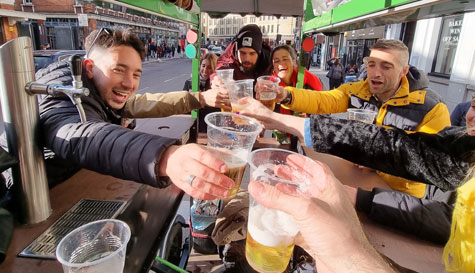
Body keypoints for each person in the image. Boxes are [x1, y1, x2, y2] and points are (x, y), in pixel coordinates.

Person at [241, 96, 475, 271]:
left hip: (402, 203)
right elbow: (396, 147)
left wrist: (348, 256)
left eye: (385, 65)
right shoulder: (468, 151)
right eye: (474, 103)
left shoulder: (428, 105)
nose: (472, 117)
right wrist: (283, 117)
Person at [38, 28, 233, 201]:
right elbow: (81, 136)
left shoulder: (99, 91)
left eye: (136, 74)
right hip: (43, 203)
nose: (129, 84)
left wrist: (199, 98)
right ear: (90, 67)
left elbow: (145, 103)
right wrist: (166, 158)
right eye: (118, 70)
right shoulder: (61, 93)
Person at [262, 39, 451, 200]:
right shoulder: (362, 90)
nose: (375, 73)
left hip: (400, 195)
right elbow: (326, 99)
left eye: (386, 67)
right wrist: (285, 95)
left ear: (404, 71)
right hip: (361, 175)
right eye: (371, 65)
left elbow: (431, 165)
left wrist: (374, 157)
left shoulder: (431, 108)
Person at [212, 24, 272, 88]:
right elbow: (221, 68)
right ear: (236, 51)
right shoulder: (229, 60)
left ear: (259, 53)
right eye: (242, 53)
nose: (247, 59)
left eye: (252, 53)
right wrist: (217, 79)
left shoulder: (269, 62)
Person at [269, 44, 323, 115]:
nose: (281, 64)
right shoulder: (270, 87)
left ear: (293, 62)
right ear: (273, 66)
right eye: (276, 61)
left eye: (285, 59)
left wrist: (309, 115)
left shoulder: (310, 82)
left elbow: (324, 110)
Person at [183, 53, 224, 132]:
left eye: (209, 67)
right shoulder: (189, 83)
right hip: (193, 129)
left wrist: (203, 100)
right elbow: (184, 110)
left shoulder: (217, 85)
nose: (205, 70)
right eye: (203, 66)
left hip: (212, 129)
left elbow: (219, 111)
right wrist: (189, 100)